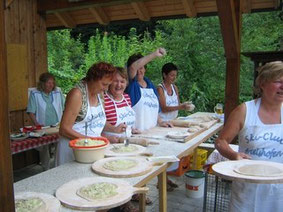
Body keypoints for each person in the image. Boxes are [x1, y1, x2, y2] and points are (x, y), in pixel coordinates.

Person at [215, 61, 283, 212]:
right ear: (263, 84)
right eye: (278, 81)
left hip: (279, 192)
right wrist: (234, 155)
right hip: (248, 192)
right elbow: (221, 141)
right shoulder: (245, 110)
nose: (282, 86)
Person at [58, 62, 116, 165]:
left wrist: (115, 130)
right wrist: (91, 140)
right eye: (104, 84)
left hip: (92, 150)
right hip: (72, 151)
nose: (106, 89)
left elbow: (96, 122)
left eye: (108, 85)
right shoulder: (77, 94)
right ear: (93, 79)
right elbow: (64, 129)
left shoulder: (100, 94)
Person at [126, 48, 173, 131]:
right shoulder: (131, 84)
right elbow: (133, 67)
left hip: (152, 131)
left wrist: (161, 121)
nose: (139, 71)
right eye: (138, 67)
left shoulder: (150, 85)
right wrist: (154, 54)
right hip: (137, 133)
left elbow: (155, 109)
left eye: (141, 68)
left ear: (145, 69)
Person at [27, 72, 65, 170]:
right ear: (42, 83)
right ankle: (46, 168)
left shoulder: (57, 92)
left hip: (57, 125)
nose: (51, 85)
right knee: (44, 148)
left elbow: (65, 107)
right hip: (43, 127)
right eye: (48, 83)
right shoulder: (35, 93)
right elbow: (31, 111)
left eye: (52, 83)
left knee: (59, 146)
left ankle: (58, 166)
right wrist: (37, 125)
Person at [103, 67, 140, 141]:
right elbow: (97, 124)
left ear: (126, 83)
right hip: (110, 142)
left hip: (127, 141)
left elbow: (126, 122)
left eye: (122, 81)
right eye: (115, 81)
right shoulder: (103, 99)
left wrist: (130, 129)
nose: (119, 85)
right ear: (110, 82)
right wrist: (112, 132)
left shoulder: (127, 98)